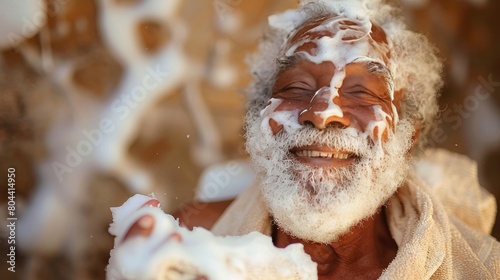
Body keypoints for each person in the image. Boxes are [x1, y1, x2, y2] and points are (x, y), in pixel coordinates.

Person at [167, 0, 500, 279]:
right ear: (259, 124)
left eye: (361, 92)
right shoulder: (187, 241)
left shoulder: (479, 266)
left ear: (405, 139)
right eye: (295, 87)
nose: (323, 113)